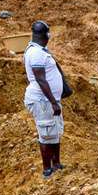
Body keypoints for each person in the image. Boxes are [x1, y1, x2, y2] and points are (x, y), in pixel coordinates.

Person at [23, 20, 72, 179]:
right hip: (43, 101)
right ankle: (47, 169)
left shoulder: (40, 51)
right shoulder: (36, 53)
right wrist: (52, 102)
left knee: (55, 132)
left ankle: (56, 163)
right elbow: (41, 79)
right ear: (45, 35)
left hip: (49, 100)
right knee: (45, 134)